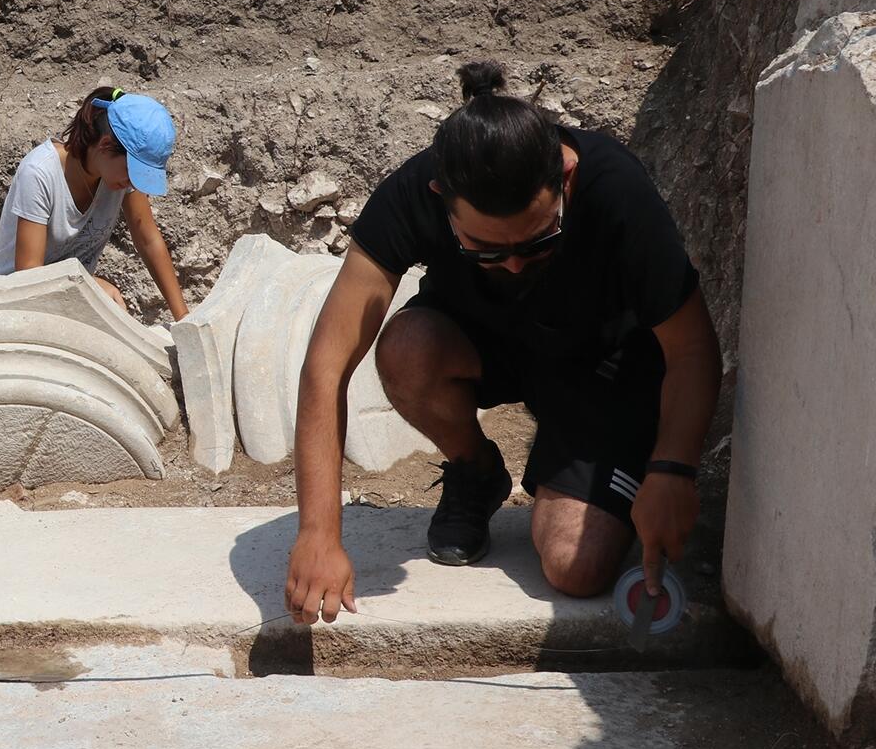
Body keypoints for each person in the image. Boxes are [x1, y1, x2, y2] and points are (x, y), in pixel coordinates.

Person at [284, 61, 720, 624]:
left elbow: (691, 348)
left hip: (602, 373)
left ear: (564, 176)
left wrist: (672, 469)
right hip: (490, 348)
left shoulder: (617, 191)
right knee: (407, 345)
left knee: (574, 566)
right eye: (486, 250)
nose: (512, 263)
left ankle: (583, 469)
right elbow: (326, 365)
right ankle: (476, 469)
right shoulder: (413, 192)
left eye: (539, 242)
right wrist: (318, 534)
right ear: (443, 197)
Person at [0, 86, 189, 320]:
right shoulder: (39, 173)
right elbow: (29, 276)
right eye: (133, 172)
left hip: (66, 300)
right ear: (105, 146)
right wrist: (88, 284)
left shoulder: (118, 176)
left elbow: (148, 239)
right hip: (7, 303)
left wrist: (185, 321)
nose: (135, 183)